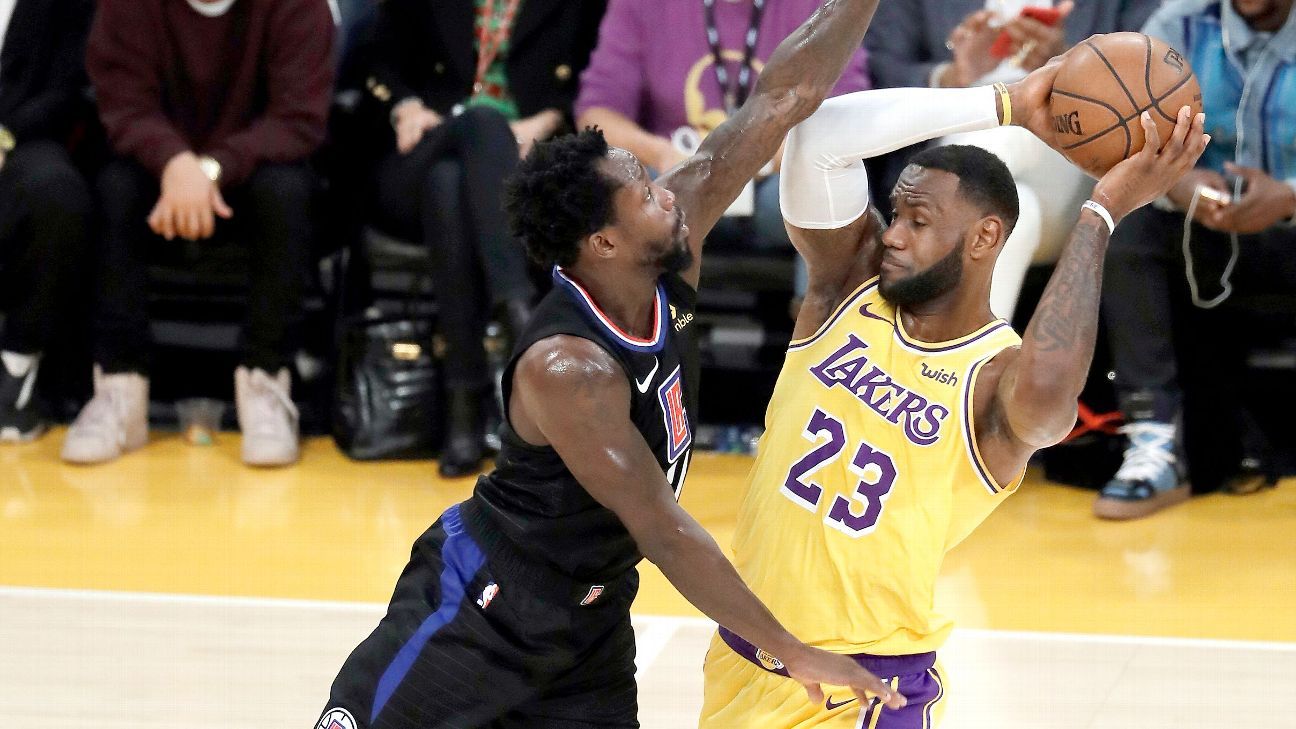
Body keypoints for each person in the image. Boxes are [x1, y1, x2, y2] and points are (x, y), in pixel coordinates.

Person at [318, 0, 914, 726]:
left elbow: (782, 96)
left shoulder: (672, 242)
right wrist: (791, 648)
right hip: (482, 610)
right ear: (603, 243)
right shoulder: (569, 368)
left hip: (589, 624)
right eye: (643, 194)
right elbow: (662, 528)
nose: (668, 190)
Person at [698, 61, 1209, 726]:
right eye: (895, 213)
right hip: (743, 659)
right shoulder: (843, 289)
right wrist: (1007, 103)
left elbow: (1052, 403)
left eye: (917, 219)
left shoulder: (994, 377)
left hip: (862, 692)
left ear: (984, 236)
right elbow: (821, 132)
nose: (892, 234)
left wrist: (1100, 212)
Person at [69, 0, 335, 467]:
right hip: (154, 170)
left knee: (289, 190)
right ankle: (118, 386)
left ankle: (266, 381)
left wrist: (209, 171)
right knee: (112, 186)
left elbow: (299, 116)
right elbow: (122, 102)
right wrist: (174, 162)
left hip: (252, 171)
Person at [359, 0, 606, 477]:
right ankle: (519, 317)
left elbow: (592, 76)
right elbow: (374, 58)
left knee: (449, 187)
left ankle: (464, 403)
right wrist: (404, 105)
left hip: (524, 163)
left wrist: (550, 121)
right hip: (423, 146)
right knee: (479, 123)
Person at [1096, 0, 1296, 519]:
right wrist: (1177, 181)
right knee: (1131, 224)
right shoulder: (1175, 25)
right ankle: (1154, 446)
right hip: (1203, 235)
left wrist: (1289, 196)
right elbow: (1124, 132)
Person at [864, 0, 1159, 319]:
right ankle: (961, 361)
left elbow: (1151, 78)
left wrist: (1073, 67)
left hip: (1068, 154)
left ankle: (912, 335)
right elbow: (871, 72)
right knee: (1018, 211)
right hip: (952, 137)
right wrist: (951, 74)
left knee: (998, 138)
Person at [575, 0, 870, 301]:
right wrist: (662, 153)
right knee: (627, 198)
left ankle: (821, 329)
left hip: (776, 177)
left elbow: (846, 111)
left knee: (826, 193)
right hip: (676, 175)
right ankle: (629, 332)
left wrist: (759, 155)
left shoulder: (817, 3)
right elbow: (597, 114)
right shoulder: (641, 5)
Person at [0, 0, 93, 442]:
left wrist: (4, 136)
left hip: (23, 136)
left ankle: (18, 367)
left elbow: (70, 85)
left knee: (57, 194)